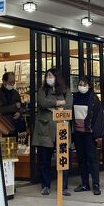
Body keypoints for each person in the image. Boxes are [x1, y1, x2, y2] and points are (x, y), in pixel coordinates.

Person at [32, 68, 72, 196]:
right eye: (47, 76)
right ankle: (45, 185)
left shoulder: (66, 90)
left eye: (51, 75)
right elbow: (42, 103)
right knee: (44, 159)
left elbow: (68, 105)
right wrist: (58, 103)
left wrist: (52, 106)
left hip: (61, 128)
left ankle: (64, 186)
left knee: (63, 158)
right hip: (45, 129)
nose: (48, 78)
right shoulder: (42, 90)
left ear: (57, 77)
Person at [72, 76, 104, 195]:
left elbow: (99, 117)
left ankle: (96, 184)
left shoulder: (93, 98)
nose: (82, 86)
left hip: (89, 133)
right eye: (80, 84)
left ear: (89, 86)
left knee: (92, 159)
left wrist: (97, 133)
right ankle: (84, 183)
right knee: (81, 159)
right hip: (78, 132)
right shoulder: (74, 97)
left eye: (84, 84)